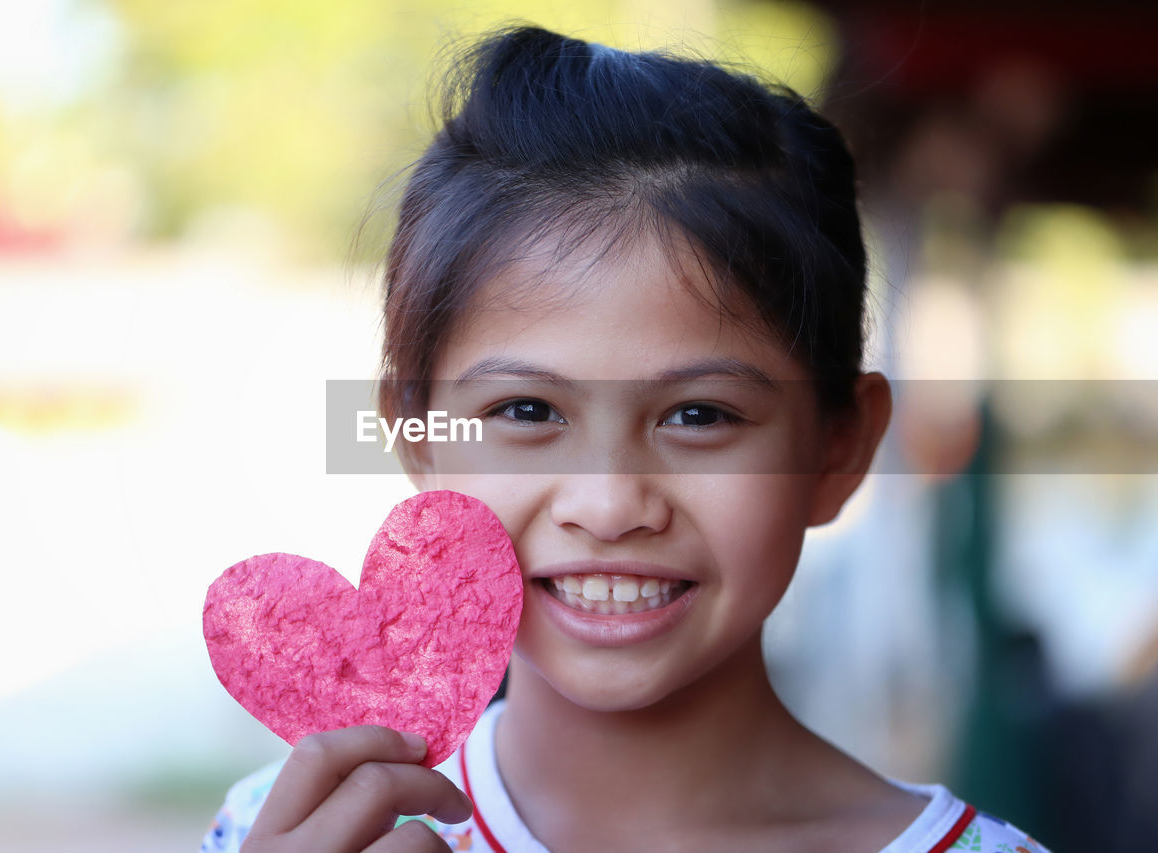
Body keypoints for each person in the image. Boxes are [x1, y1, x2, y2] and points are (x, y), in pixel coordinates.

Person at [202, 26, 1050, 852]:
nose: (609, 504)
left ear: (839, 446)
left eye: (699, 414)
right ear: (417, 437)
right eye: (527, 411)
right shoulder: (304, 831)